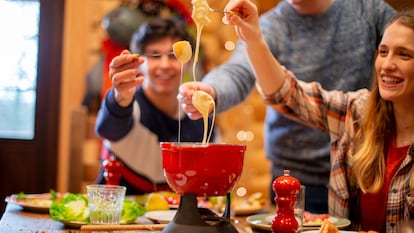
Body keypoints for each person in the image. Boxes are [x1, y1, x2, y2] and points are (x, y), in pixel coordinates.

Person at [206, 1, 414, 231]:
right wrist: (213, 89)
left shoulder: (368, 10)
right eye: (383, 52)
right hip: (293, 176)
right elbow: (286, 94)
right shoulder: (357, 112)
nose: (387, 64)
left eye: (404, 55)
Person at [94, 17, 216, 195]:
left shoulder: (199, 114)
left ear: (188, 63)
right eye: (155, 55)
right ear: (140, 63)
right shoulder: (129, 104)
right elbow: (107, 129)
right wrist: (120, 95)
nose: (165, 65)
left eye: (174, 56)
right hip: (120, 218)